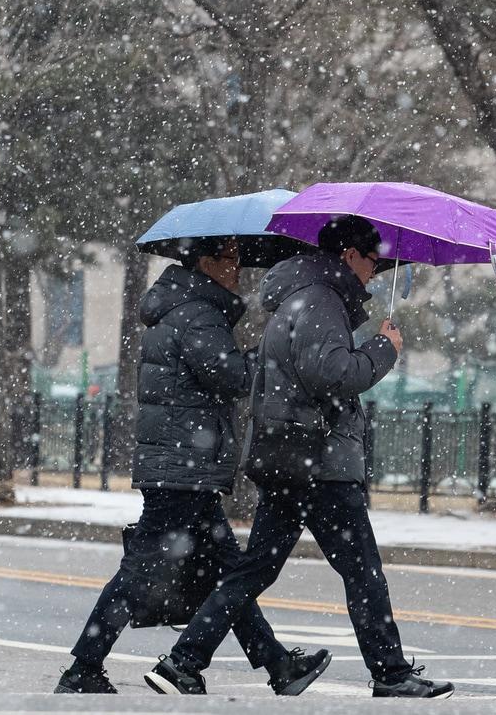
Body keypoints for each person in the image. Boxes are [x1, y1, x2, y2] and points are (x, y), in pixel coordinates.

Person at [152, 215, 455, 699]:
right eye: (372, 260)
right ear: (348, 255)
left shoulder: (303, 296)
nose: (374, 273)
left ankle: (182, 663)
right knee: (362, 570)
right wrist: (384, 348)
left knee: (256, 568)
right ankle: (392, 674)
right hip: (319, 462)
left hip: (289, 458)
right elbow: (331, 375)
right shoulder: (321, 301)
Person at [55, 237, 330, 696]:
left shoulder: (182, 308)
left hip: (183, 466)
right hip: (182, 469)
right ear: (206, 263)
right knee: (143, 570)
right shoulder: (198, 314)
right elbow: (233, 375)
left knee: (229, 574)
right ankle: (84, 668)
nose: (237, 268)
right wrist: (274, 350)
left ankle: (277, 665)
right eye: (230, 259)